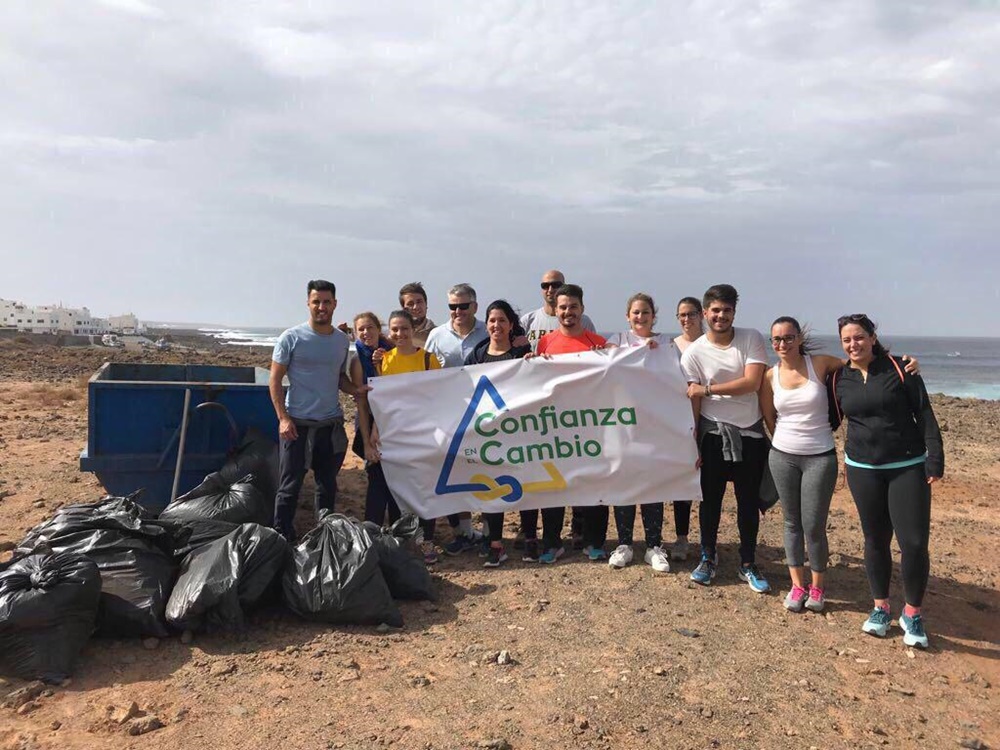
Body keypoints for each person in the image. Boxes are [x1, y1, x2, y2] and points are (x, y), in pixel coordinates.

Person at [834, 313, 943, 648]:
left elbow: (924, 413)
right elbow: (826, 416)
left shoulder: (900, 367)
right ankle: (881, 607)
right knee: (875, 540)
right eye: (846, 340)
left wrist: (935, 458)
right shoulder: (838, 377)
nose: (853, 344)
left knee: (914, 543)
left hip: (907, 466)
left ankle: (912, 614)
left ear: (872, 337)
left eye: (859, 337)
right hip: (862, 468)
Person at [681, 284, 770, 593]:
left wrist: (708, 389)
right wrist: (693, 441)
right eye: (715, 310)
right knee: (710, 502)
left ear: (734, 312)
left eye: (727, 310)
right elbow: (693, 401)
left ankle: (748, 562)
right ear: (705, 313)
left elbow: (752, 382)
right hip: (713, 435)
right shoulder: (693, 353)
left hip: (750, 433)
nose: (721, 316)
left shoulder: (751, 338)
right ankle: (708, 557)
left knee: (748, 502)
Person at [269, 280, 367, 542]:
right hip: (296, 425)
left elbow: (339, 377)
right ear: (308, 303)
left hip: (330, 425)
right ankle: (282, 536)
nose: (321, 307)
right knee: (289, 486)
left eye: (326, 302)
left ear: (335, 304)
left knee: (327, 486)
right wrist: (283, 418)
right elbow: (275, 380)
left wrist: (355, 390)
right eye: (316, 302)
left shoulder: (340, 341)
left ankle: (323, 537)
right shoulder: (291, 337)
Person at [759, 317, 843, 613]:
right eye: (777, 339)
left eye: (788, 337)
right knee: (791, 522)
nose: (783, 344)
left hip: (820, 457)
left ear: (799, 338)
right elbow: (769, 417)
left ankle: (817, 587)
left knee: (814, 525)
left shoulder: (820, 363)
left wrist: (903, 365)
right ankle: (797, 585)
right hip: (782, 456)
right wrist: (784, 441)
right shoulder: (770, 376)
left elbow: (858, 366)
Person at [532, 283, 608, 564]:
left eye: (573, 306)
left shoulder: (597, 343)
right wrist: (530, 363)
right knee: (553, 485)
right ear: (556, 311)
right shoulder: (545, 343)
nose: (568, 312)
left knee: (594, 484)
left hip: (590, 427)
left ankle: (594, 542)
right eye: (563, 307)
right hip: (555, 427)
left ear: (582, 309)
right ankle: (552, 543)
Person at [603, 293, 677, 572]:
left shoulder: (666, 343)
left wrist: (656, 352)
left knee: (651, 483)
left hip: (653, 425)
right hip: (621, 424)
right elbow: (604, 364)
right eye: (635, 312)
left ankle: (654, 546)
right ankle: (624, 544)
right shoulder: (618, 340)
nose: (640, 317)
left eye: (645, 312)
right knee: (624, 482)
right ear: (627, 316)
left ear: (653, 316)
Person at [364, 309, 443, 563]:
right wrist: (375, 429)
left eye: (405, 328)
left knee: (423, 489)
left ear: (413, 330)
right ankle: (403, 540)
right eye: (395, 329)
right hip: (392, 434)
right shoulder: (383, 361)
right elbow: (379, 401)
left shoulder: (428, 359)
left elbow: (440, 397)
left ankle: (426, 541)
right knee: (396, 489)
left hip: (421, 434)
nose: (400, 334)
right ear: (389, 332)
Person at [463, 300, 533, 568]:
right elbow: (462, 387)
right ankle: (495, 543)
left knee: (525, 484)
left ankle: (530, 538)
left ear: (511, 324)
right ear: (487, 324)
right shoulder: (477, 355)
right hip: (488, 434)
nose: (496, 325)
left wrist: (533, 362)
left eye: (502, 320)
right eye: (492, 320)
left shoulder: (522, 353)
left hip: (518, 432)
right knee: (492, 488)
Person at [425, 283, 490, 554]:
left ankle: (489, 532)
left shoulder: (489, 330)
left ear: (475, 306)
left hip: (486, 414)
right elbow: (423, 373)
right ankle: (465, 532)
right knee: (458, 470)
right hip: (449, 416)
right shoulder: (436, 336)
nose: (458, 311)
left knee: (488, 468)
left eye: (463, 306)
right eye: (453, 306)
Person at [349, 312, 399, 526]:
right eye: (360, 329)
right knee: (377, 477)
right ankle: (372, 529)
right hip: (369, 420)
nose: (366, 332)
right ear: (355, 333)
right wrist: (367, 441)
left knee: (396, 478)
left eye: (370, 327)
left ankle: (398, 528)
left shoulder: (393, 353)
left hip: (394, 421)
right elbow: (361, 404)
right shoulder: (357, 361)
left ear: (379, 329)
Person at [668, 296, 704, 561]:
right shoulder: (670, 347)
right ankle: (681, 538)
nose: (686, 319)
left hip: (709, 420)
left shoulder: (710, 343)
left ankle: (708, 541)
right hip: (680, 423)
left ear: (701, 315)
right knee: (683, 481)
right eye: (682, 315)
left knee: (708, 484)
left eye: (691, 313)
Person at [520, 269, 597, 352]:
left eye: (555, 285)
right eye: (545, 286)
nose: (550, 290)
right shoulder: (527, 321)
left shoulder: (583, 321)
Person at [398, 282, 436, 348]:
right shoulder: (396, 336)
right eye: (410, 304)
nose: (416, 307)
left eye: (419, 302)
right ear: (403, 309)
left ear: (426, 304)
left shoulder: (438, 335)